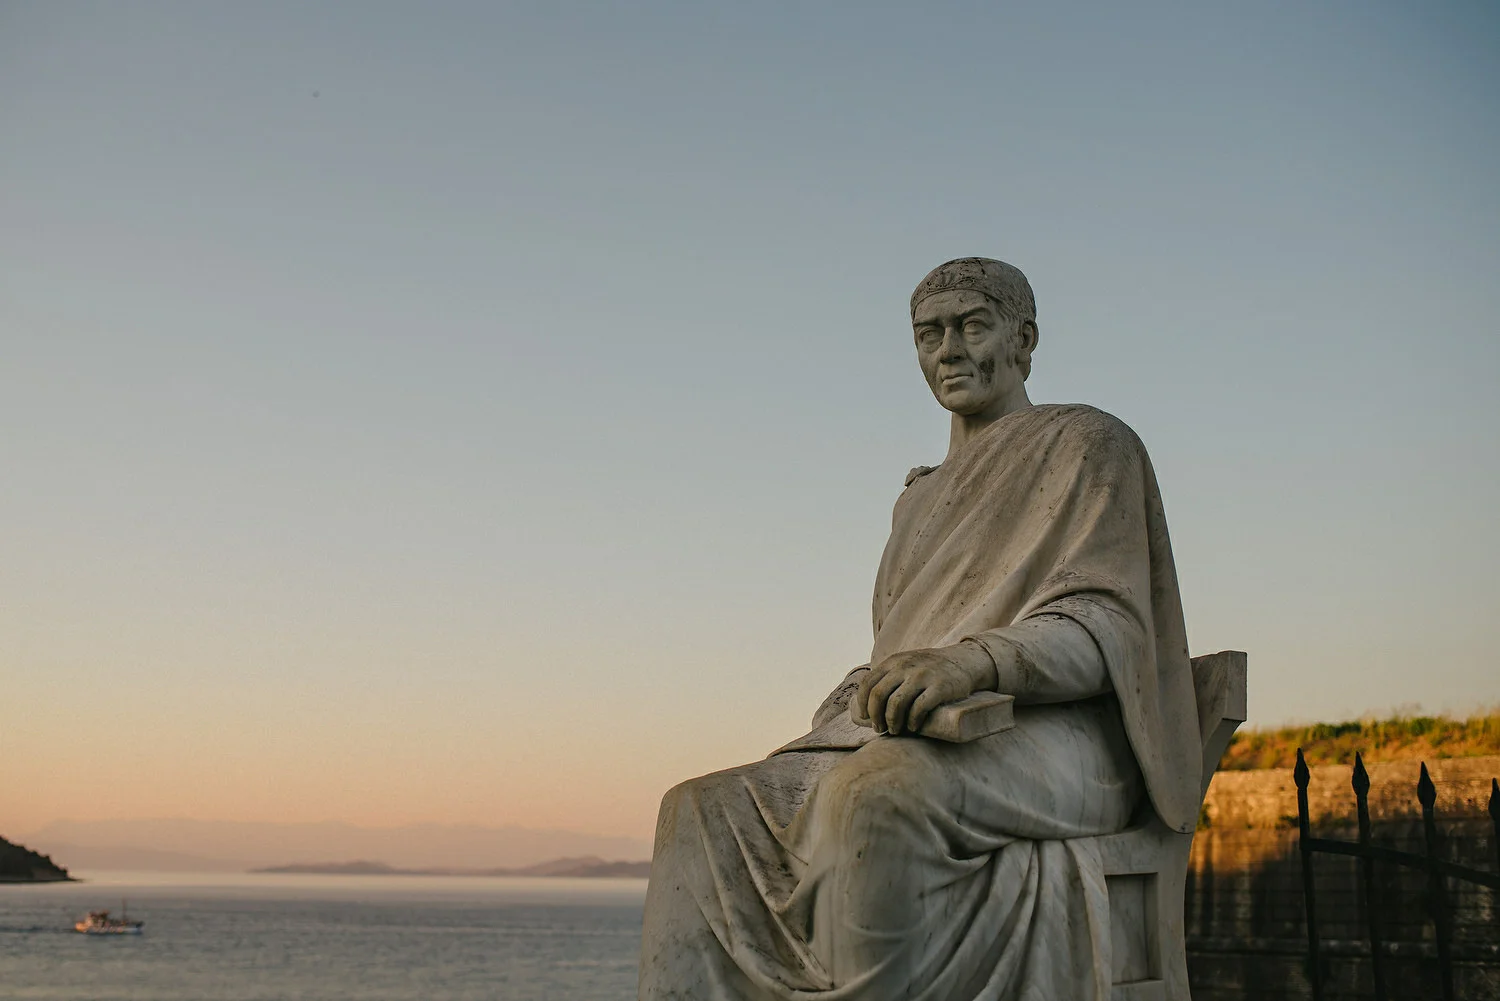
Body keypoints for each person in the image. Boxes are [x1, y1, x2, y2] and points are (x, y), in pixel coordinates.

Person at [638, 258, 1201, 1001]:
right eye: (929, 334)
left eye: (972, 325)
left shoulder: (1087, 443)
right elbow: (903, 643)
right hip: (929, 733)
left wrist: (975, 662)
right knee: (695, 810)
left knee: (876, 797)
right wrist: (872, 685)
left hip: (1061, 731)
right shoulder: (917, 500)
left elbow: (1103, 623)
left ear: (1024, 338)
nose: (948, 350)